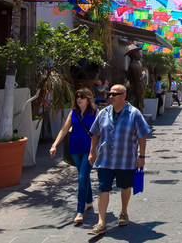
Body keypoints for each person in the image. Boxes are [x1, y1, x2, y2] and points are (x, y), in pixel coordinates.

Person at [87, 85, 151, 236]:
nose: (111, 96)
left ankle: (123, 211)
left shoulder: (134, 113)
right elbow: (95, 133)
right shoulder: (103, 113)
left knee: (125, 186)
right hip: (105, 160)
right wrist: (91, 152)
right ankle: (101, 222)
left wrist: (141, 156)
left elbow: (142, 135)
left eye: (115, 94)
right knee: (103, 188)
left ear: (124, 96)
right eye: (110, 94)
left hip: (126, 159)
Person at [49, 88, 97, 223]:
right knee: (84, 175)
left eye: (82, 97)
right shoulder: (73, 113)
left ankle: (80, 211)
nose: (79, 99)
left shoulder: (95, 113)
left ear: (88, 99)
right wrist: (54, 145)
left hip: (89, 149)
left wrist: (96, 150)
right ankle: (89, 201)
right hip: (75, 148)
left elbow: (100, 132)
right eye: (77, 97)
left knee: (82, 176)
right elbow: (64, 129)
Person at [125, 44, 145, 111]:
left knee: (140, 105)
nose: (140, 55)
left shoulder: (138, 63)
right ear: (133, 54)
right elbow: (137, 81)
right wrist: (144, 75)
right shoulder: (133, 65)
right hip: (135, 87)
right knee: (138, 105)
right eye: (138, 53)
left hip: (139, 87)